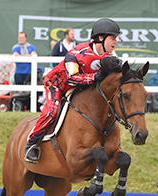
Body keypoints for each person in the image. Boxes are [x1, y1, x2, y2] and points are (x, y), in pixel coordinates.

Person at [23, 18, 120, 163]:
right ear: (101, 38)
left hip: (80, 89)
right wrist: (95, 77)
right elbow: (71, 79)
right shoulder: (77, 53)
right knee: (52, 111)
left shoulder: (109, 56)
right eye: (113, 38)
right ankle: (31, 144)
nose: (116, 42)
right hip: (57, 84)